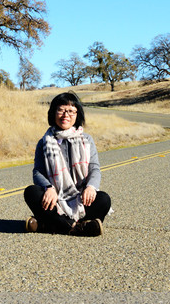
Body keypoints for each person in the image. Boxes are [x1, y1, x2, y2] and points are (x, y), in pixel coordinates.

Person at [24, 92, 112, 236]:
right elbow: (38, 171)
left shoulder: (87, 140)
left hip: (81, 198)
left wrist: (91, 187)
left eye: (71, 111)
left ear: (77, 114)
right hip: (55, 199)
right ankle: (79, 227)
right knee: (31, 192)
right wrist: (49, 188)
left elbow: (94, 168)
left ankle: (47, 224)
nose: (66, 115)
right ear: (53, 113)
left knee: (103, 199)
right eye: (61, 110)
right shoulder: (44, 141)